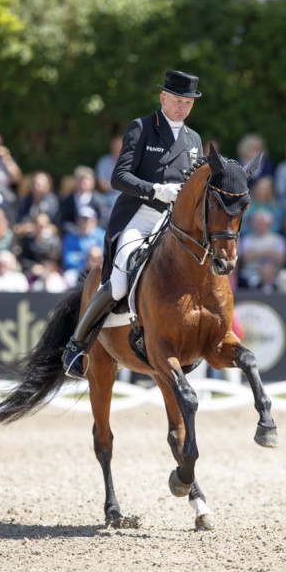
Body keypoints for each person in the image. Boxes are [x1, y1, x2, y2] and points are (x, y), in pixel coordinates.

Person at [62, 70, 203, 378]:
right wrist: (155, 189)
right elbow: (119, 177)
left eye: (188, 102)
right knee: (120, 280)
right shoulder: (141, 128)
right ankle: (77, 345)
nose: (182, 107)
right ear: (163, 98)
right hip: (140, 214)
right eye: (177, 100)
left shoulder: (194, 139)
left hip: (174, 222)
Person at [62, 206, 106, 288]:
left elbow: (105, 257)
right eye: (81, 219)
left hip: (99, 270)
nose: (83, 222)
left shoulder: (102, 236)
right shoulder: (70, 238)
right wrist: (86, 261)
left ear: (94, 220)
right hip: (77, 271)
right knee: (68, 278)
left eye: (86, 219)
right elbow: (68, 260)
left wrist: (81, 256)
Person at [59, 165, 109, 232]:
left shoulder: (100, 200)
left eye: (87, 179)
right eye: (80, 179)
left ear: (92, 182)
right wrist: (76, 230)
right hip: (74, 234)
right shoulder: (67, 201)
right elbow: (64, 221)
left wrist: (93, 230)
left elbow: (104, 219)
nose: (83, 182)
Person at [95, 135, 123, 212]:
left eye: (120, 145)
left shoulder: (131, 163)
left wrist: (112, 184)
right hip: (106, 196)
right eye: (116, 146)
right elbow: (101, 184)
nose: (118, 148)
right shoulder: (103, 162)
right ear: (111, 147)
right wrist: (122, 186)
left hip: (126, 196)